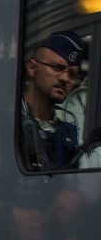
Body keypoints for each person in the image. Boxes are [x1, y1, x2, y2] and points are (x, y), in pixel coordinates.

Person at [20, 30, 87, 170]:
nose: (65, 78)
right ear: (32, 68)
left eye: (72, 74)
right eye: (57, 67)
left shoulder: (72, 135)